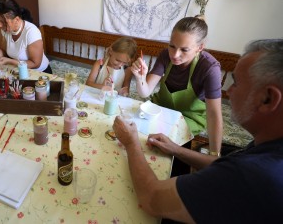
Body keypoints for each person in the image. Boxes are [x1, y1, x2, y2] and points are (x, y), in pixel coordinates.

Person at [113, 39, 283, 223]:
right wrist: (176, 149)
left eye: (237, 83)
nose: (229, 91)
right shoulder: (268, 147)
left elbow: (151, 198)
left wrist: (131, 143)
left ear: (268, 98)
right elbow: (221, 163)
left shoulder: (253, 175)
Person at [131, 16, 223, 155]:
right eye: (172, 46)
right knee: (135, 133)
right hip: (160, 108)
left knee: (160, 148)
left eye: (184, 50)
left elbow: (214, 114)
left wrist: (215, 155)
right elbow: (145, 92)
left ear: (200, 47)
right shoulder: (164, 55)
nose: (175, 55)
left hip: (188, 117)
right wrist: (140, 78)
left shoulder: (209, 68)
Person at [0, 0, 52, 74]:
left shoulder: (31, 32)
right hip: (19, 71)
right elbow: (4, 52)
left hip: (40, 73)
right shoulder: (5, 30)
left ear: (17, 20)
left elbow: (35, 63)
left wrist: (9, 61)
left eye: (3, 22)